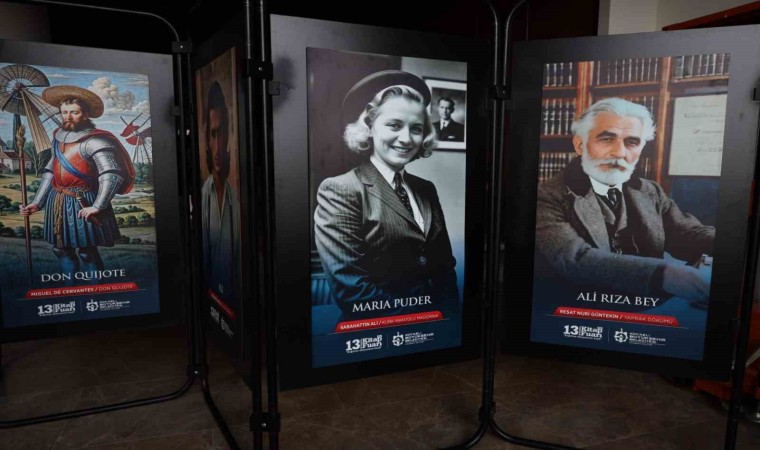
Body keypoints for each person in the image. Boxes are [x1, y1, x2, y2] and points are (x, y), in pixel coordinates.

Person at [535, 97, 715, 307]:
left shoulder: (650, 191)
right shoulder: (547, 196)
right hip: (576, 310)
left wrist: (727, 245)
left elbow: (686, 234)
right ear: (580, 145)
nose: (620, 152)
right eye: (606, 139)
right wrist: (665, 275)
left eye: (632, 142)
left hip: (647, 309)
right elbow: (575, 260)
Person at [314, 70, 459, 320]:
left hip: (435, 329)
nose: (406, 139)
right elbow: (352, 290)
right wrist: (419, 319)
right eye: (394, 125)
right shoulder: (340, 189)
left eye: (416, 128)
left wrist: (448, 320)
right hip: (375, 330)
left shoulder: (426, 189)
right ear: (369, 126)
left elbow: (445, 268)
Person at [20, 85, 133, 276]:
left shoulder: (96, 141)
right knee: (60, 249)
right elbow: (50, 171)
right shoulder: (58, 138)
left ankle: (95, 291)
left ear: (86, 114)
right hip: (57, 200)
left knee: (87, 252)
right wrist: (37, 203)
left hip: (84, 201)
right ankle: (68, 287)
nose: (68, 117)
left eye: (74, 112)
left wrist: (97, 206)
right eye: (65, 112)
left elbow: (111, 174)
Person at [200, 80, 240, 308]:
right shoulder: (205, 195)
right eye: (212, 134)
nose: (217, 146)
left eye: (221, 134)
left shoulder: (236, 197)